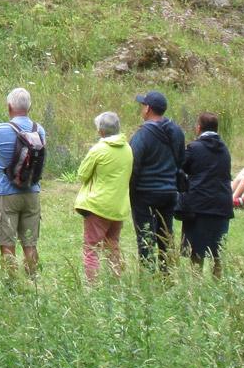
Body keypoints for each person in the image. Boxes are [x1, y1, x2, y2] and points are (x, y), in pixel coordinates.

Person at [0, 87, 46, 275]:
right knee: (30, 243)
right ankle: (32, 280)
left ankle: (11, 284)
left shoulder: (0, 130)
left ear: (9, 107)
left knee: (7, 242)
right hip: (32, 191)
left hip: (6, 193)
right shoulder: (39, 129)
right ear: (29, 107)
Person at [127, 90, 185, 271]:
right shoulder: (176, 131)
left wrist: (131, 188)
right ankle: (167, 273)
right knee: (166, 234)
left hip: (145, 192)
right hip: (169, 191)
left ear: (148, 109)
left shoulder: (142, 134)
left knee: (145, 235)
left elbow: (133, 163)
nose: (141, 109)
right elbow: (181, 159)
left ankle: (148, 274)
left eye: (143, 105)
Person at [75, 111, 133, 282]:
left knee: (91, 248)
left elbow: (82, 174)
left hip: (98, 206)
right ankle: (116, 284)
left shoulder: (98, 149)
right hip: (119, 207)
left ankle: (92, 287)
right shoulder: (128, 149)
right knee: (112, 246)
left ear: (101, 131)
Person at [176, 111, 233, 277]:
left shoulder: (194, 148)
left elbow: (181, 167)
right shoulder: (225, 149)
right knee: (217, 252)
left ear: (198, 127)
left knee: (197, 252)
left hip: (199, 206)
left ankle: (197, 285)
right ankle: (217, 284)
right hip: (222, 205)